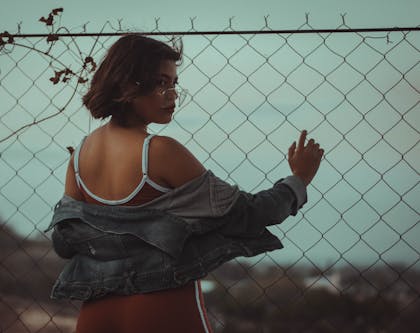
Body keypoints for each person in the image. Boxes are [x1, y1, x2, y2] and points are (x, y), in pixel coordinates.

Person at [48, 33, 323, 333]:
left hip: (97, 314)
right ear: (127, 84)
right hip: (162, 309)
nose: (172, 94)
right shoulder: (160, 152)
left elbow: (64, 242)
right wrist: (299, 179)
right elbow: (250, 214)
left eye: (174, 83)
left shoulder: (79, 158)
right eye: (160, 82)